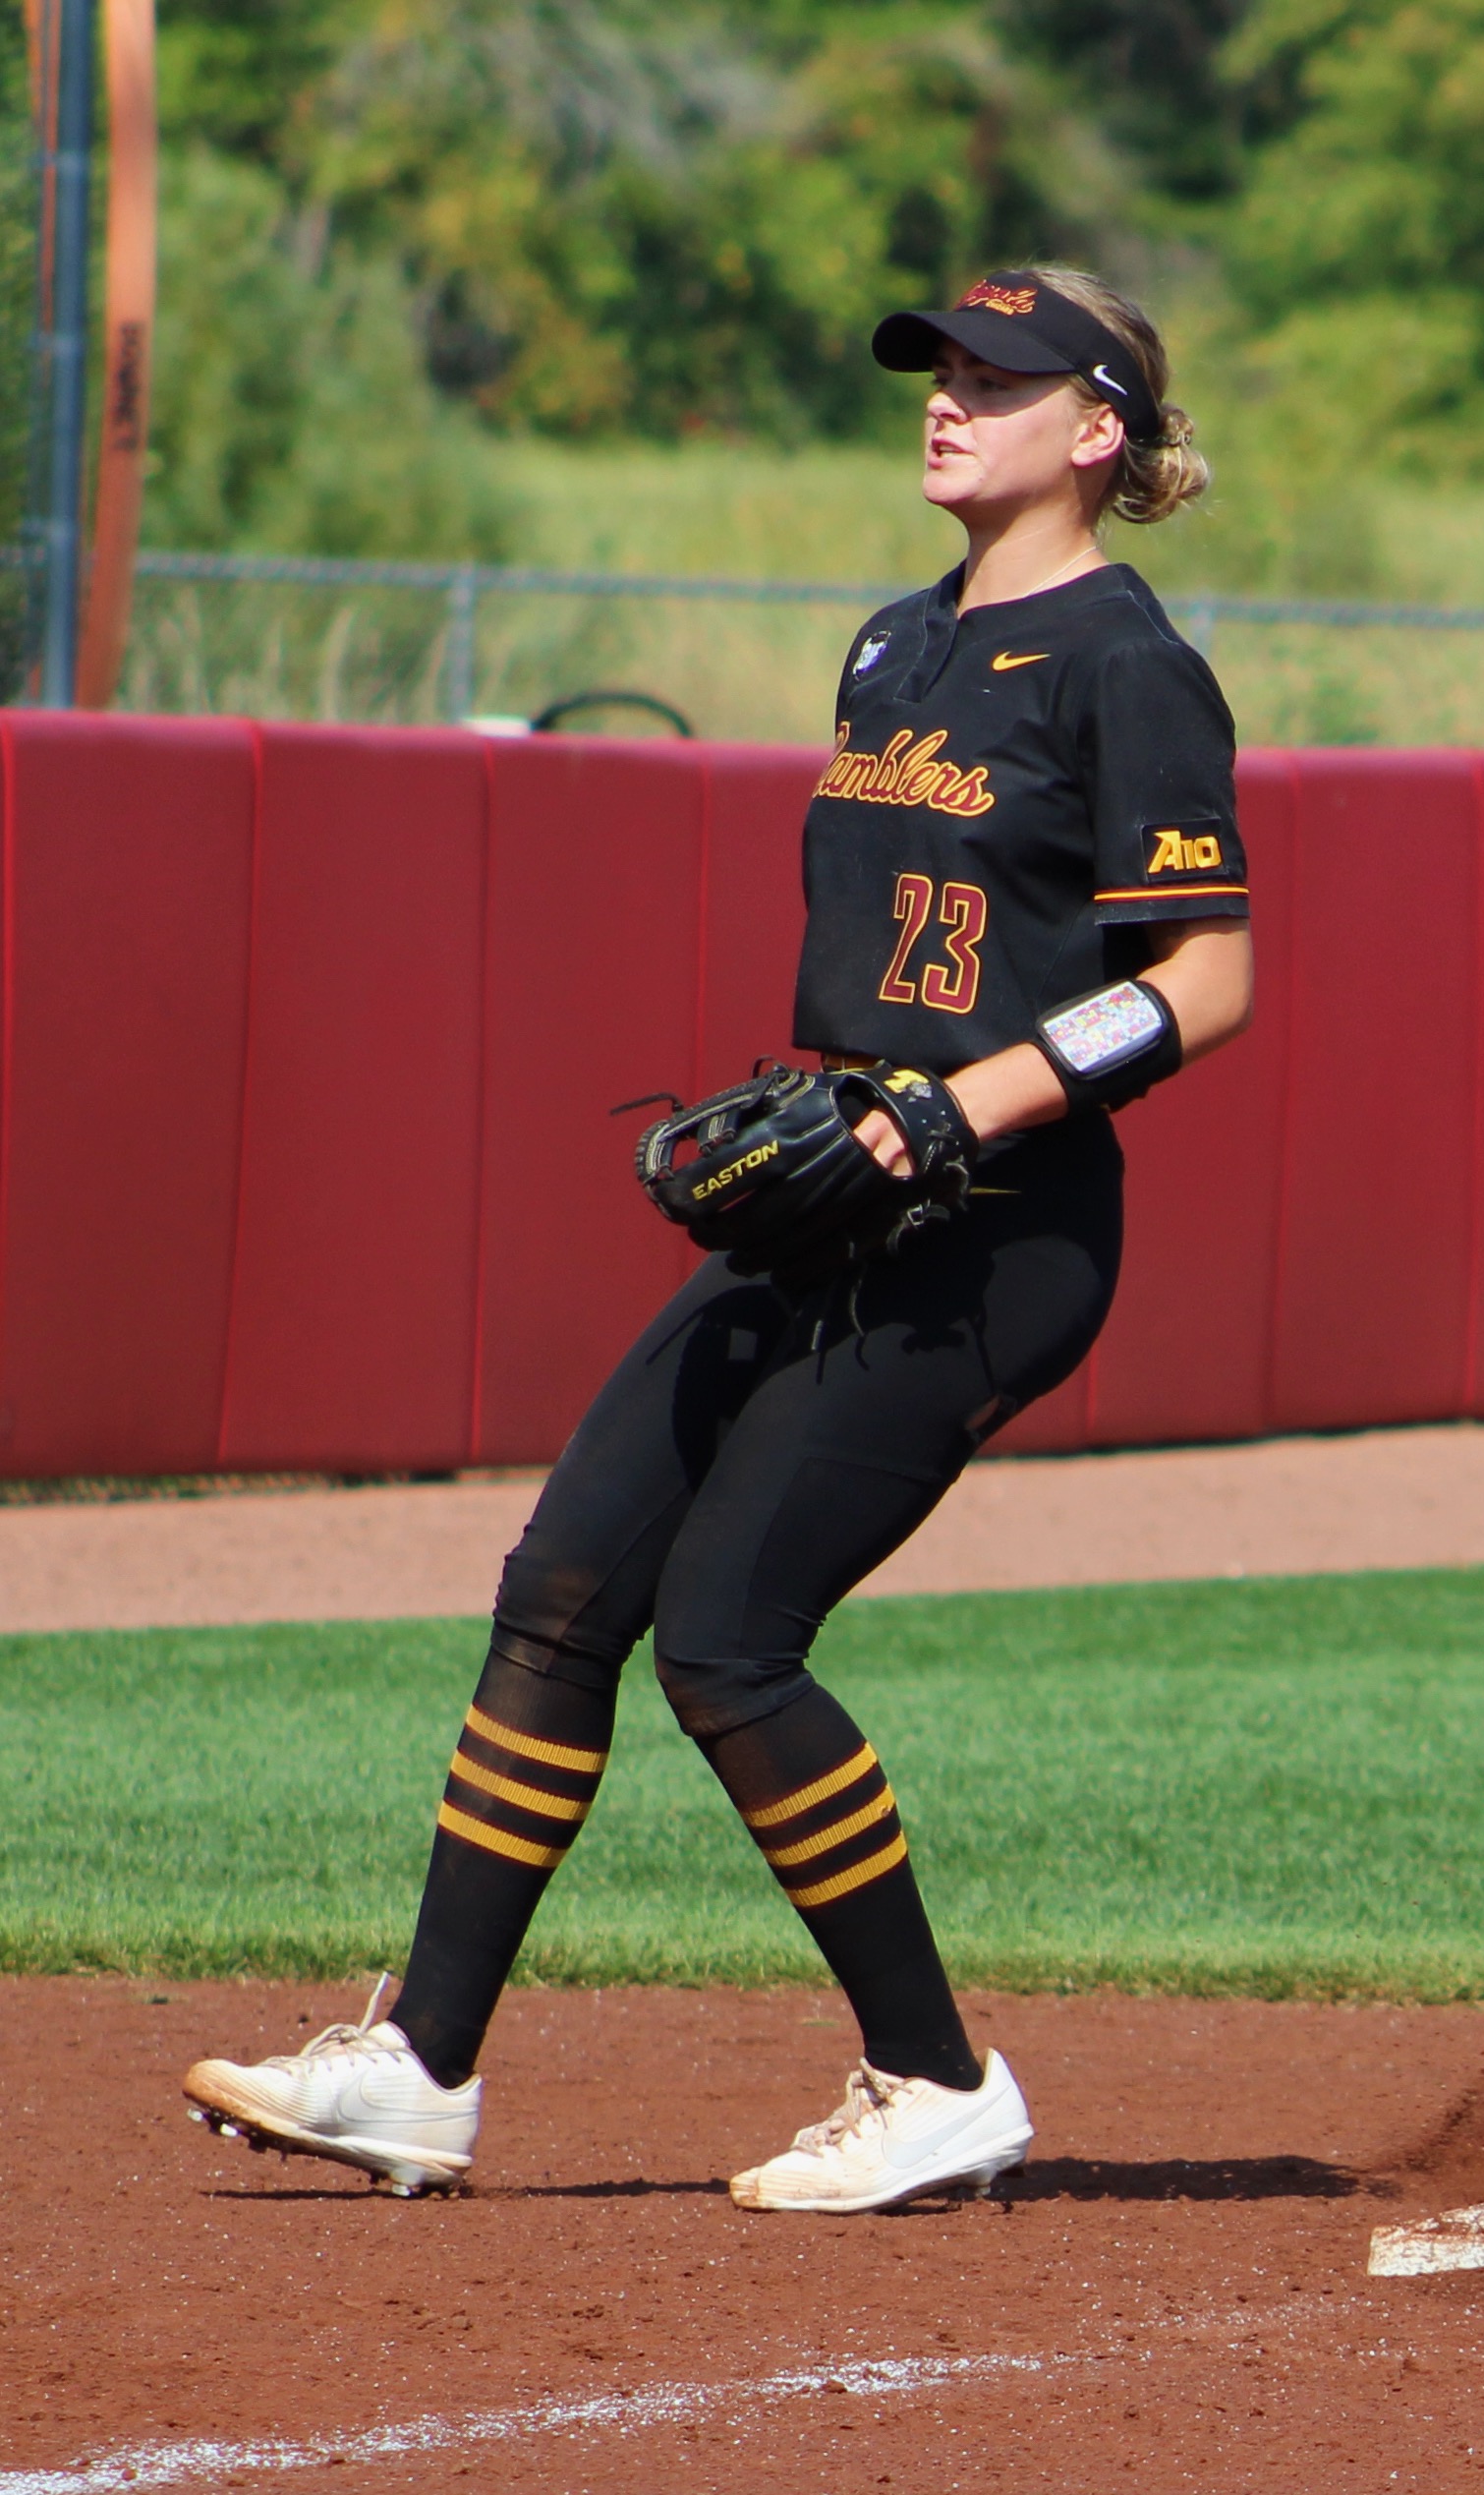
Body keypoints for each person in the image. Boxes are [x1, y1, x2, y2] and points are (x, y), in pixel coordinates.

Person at [183, 268, 1257, 2213]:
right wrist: (852, 1107)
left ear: (1095, 430)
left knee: (732, 1640)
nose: (947, 401)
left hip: (991, 1229)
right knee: (562, 1590)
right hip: (831, 1194)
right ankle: (416, 2069)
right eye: (939, 370)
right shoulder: (891, 646)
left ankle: (936, 2080)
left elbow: (1204, 980)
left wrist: (959, 1102)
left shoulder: (1124, 665)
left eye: (997, 378)